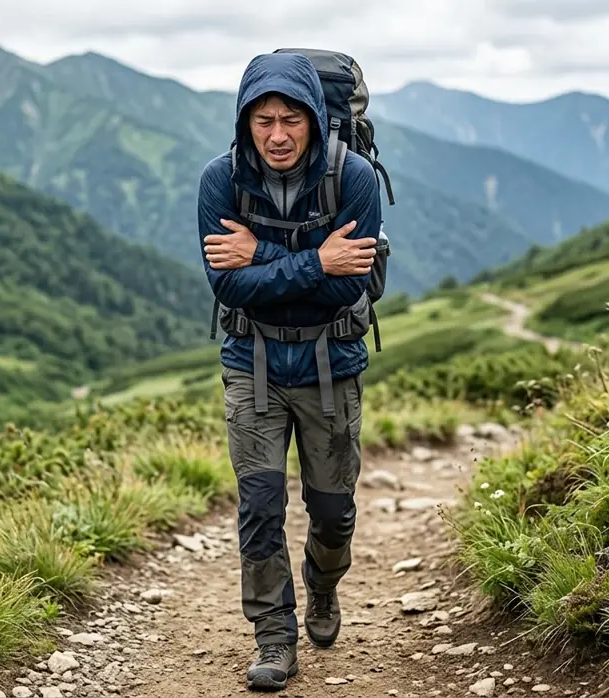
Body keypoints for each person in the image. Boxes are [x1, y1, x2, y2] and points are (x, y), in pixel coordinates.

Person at [196, 50, 382, 691]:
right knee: (260, 505)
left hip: (332, 361)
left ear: (315, 119)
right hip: (251, 364)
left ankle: (323, 586)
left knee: (333, 513)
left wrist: (264, 258)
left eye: (292, 119)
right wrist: (313, 261)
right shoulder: (219, 181)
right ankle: (274, 638)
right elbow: (229, 288)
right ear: (245, 122)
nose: (277, 135)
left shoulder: (353, 178)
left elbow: (344, 292)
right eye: (263, 120)